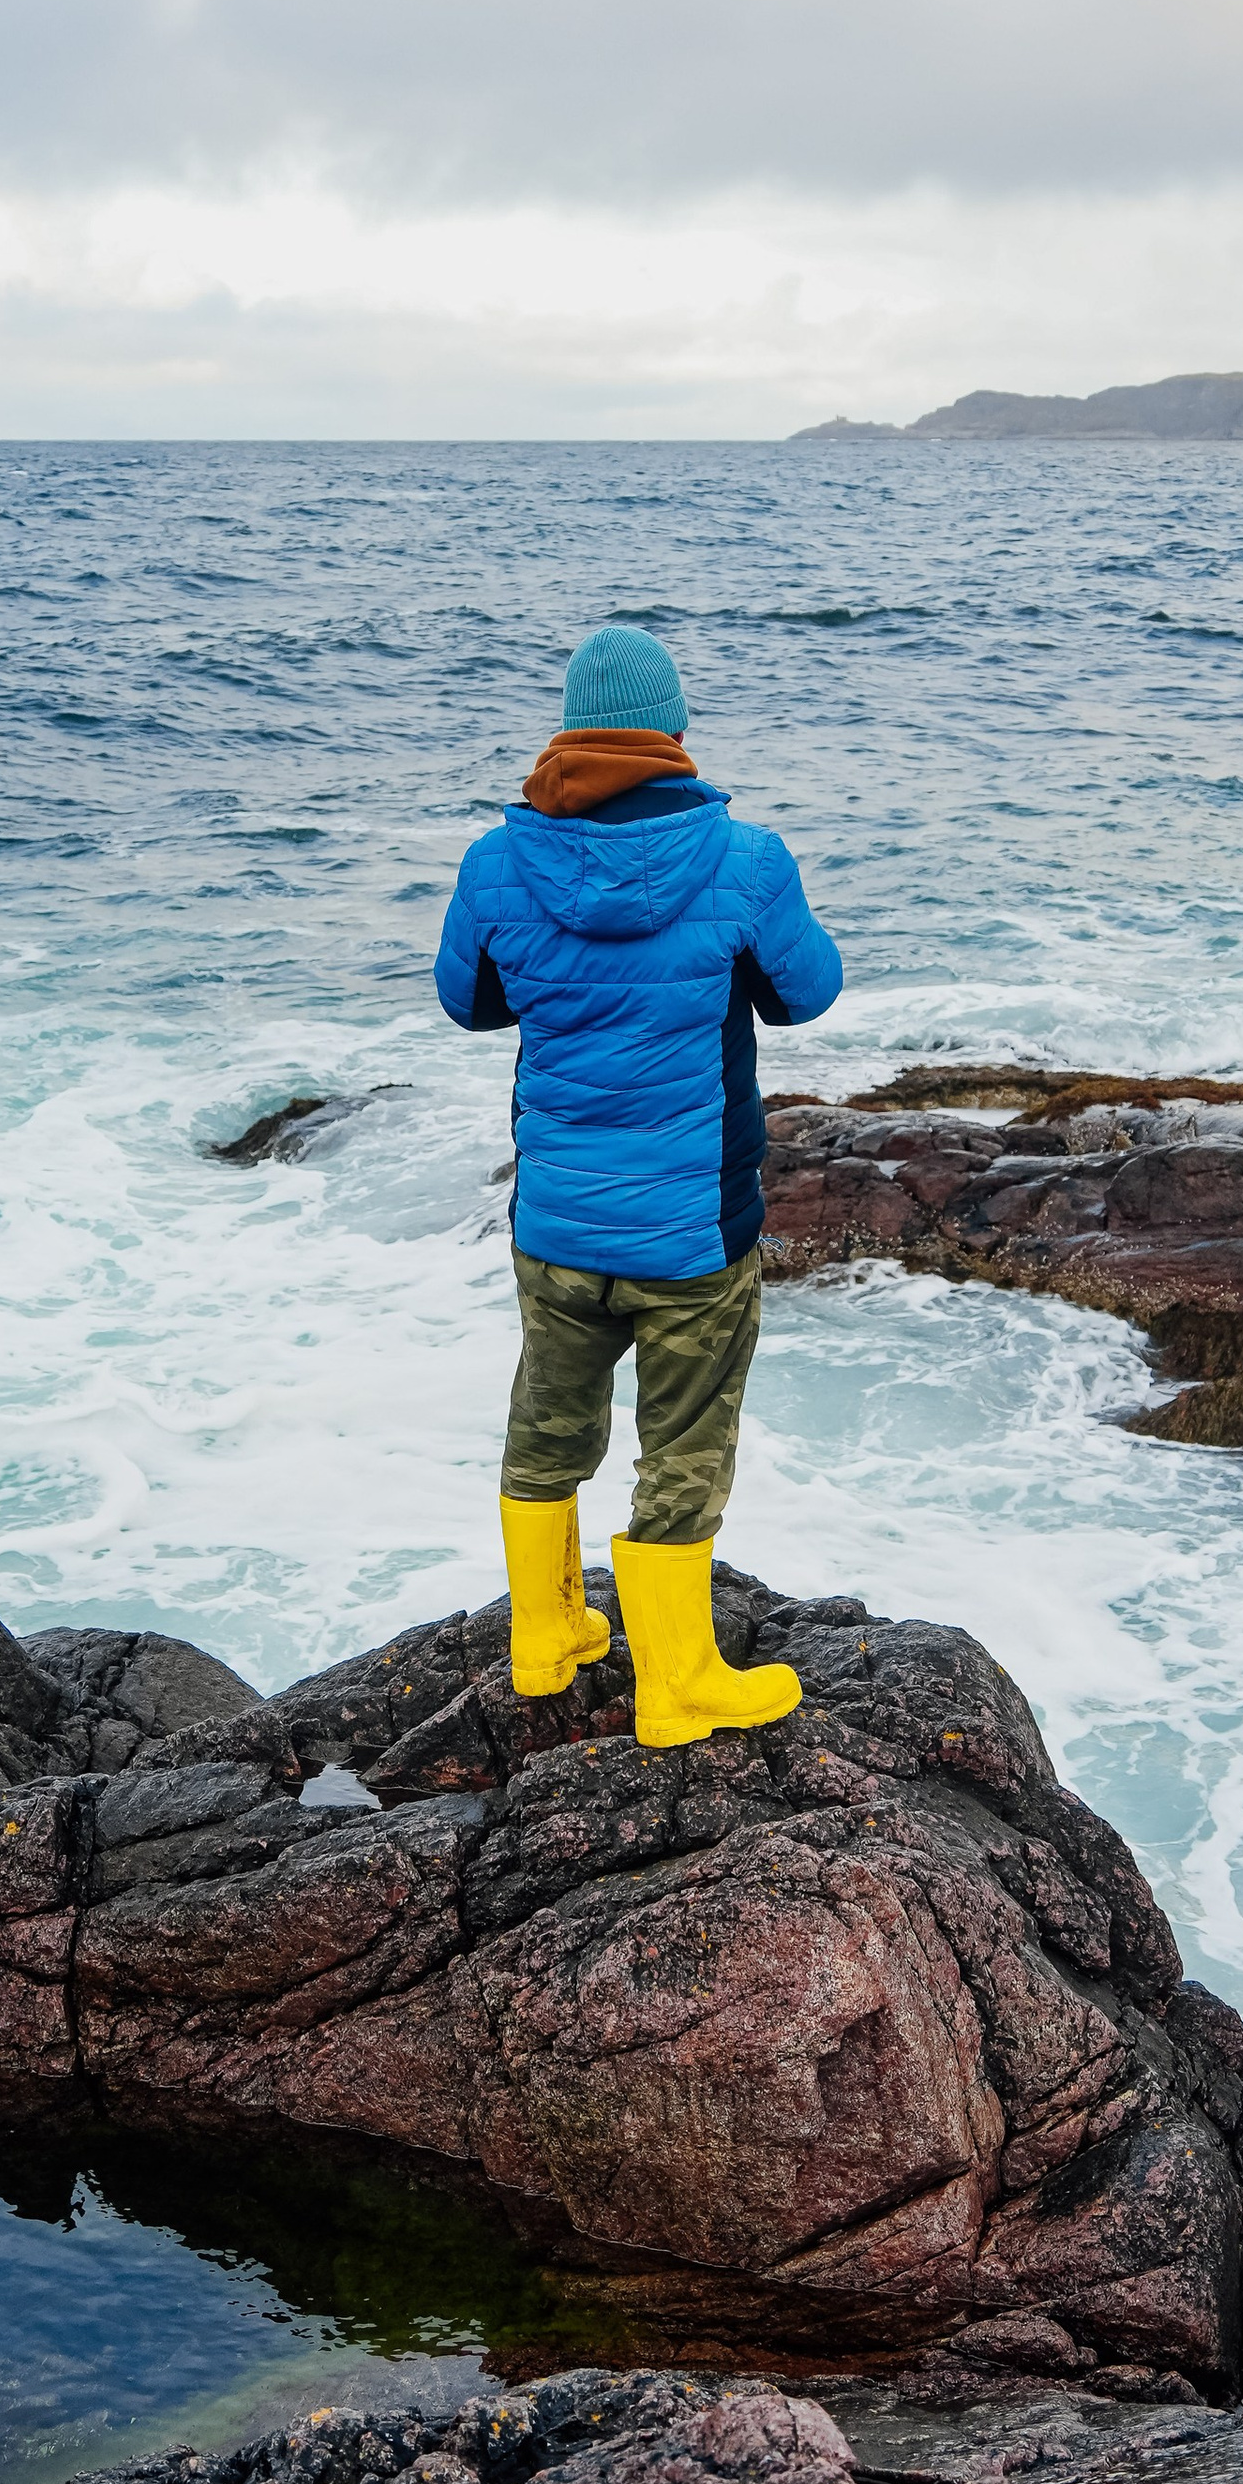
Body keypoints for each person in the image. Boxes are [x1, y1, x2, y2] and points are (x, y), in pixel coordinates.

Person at [435, 622, 842, 1744]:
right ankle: (676, 1685)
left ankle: (544, 1640)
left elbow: (468, 1002)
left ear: (571, 729)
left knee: (545, 1428)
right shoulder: (746, 860)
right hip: (692, 1231)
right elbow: (805, 994)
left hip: (558, 1218)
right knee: (685, 1450)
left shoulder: (496, 862)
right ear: (673, 732)